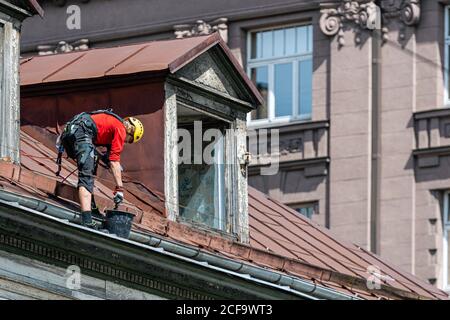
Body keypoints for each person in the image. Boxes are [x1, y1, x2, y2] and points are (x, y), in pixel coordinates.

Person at [57, 109, 144, 228]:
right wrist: (119, 188)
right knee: (86, 175)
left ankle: (91, 207)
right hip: (82, 132)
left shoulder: (114, 124)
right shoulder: (121, 129)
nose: (125, 142)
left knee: (92, 165)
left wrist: (111, 163)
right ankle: (87, 220)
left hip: (74, 131)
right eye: (128, 140)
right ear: (131, 133)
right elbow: (114, 161)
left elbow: (109, 158)